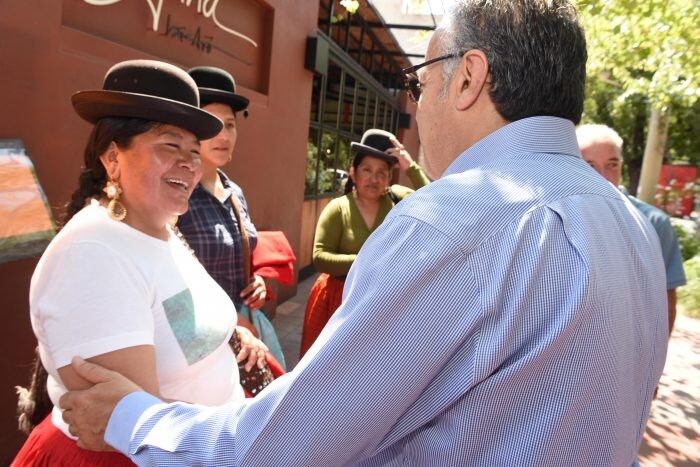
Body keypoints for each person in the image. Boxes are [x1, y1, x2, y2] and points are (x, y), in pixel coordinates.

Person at [60, 2, 668, 465]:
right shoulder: (627, 222)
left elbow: (288, 447)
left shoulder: (460, 218)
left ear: (467, 79)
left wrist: (134, 420)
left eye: (419, 79)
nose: (417, 101)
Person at [13, 59, 270, 466]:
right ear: (113, 158)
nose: (189, 163)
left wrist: (231, 338)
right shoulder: (93, 253)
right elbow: (134, 426)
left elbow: (177, 329)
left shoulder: (160, 231)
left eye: (192, 149)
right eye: (169, 145)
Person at [177, 66, 286, 368]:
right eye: (212, 124)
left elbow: (239, 253)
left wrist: (258, 281)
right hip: (199, 335)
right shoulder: (176, 192)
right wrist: (231, 321)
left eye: (230, 124)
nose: (224, 135)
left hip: (245, 328)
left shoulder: (233, 191)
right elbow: (172, 279)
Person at [299, 129, 430, 356]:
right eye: (366, 170)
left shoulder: (398, 202)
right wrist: (368, 259)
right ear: (353, 172)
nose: (374, 178)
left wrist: (410, 165)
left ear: (390, 177)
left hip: (378, 301)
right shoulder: (338, 209)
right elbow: (320, 257)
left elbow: (433, 198)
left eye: (382, 172)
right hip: (336, 300)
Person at [576, 124, 687, 334]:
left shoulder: (653, 223)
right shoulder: (556, 217)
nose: (602, 176)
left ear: (622, 166)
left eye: (612, 164)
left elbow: (666, 301)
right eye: (589, 165)